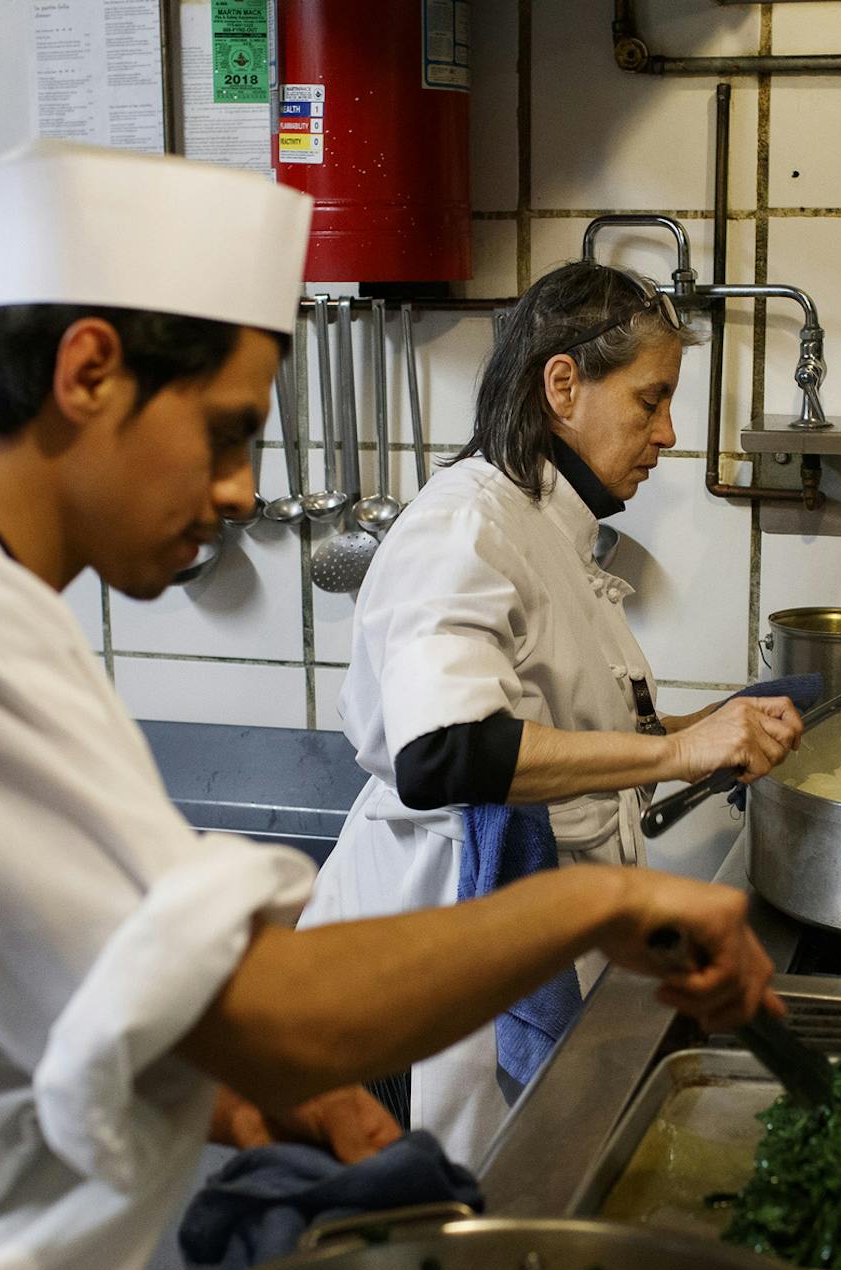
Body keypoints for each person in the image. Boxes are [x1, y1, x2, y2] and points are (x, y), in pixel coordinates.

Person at [0, 143, 780, 1270]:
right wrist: (606, 899)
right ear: (89, 370)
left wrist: (217, 1076)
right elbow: (266, 1005)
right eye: (226, 430)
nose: (244, 486)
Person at [300, 261, 808, 1165]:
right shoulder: (467, 526)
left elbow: (560, 716)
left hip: (506, 941)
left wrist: (709, 729)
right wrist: (678, 753)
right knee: (417, 1232)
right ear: (563, 384)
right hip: (417, 967)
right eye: (649, 402)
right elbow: (447, 753)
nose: (668, 434)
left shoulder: (548, 530)